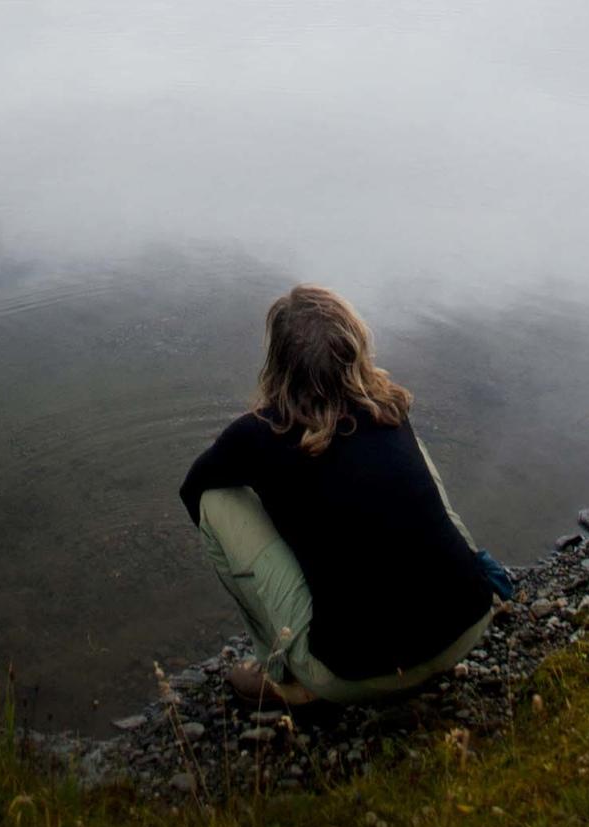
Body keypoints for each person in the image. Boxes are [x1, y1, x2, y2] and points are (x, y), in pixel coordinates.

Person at [179, 283, 495, 706]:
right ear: (355, 347)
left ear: (279, 362)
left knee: (214, 502)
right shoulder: (389, 406)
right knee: (407, 457)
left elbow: (192, 490)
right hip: (469, 624)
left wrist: (288, 519)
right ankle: (458, 580)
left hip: (352, 675)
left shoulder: (256, 433)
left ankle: (284, 675)